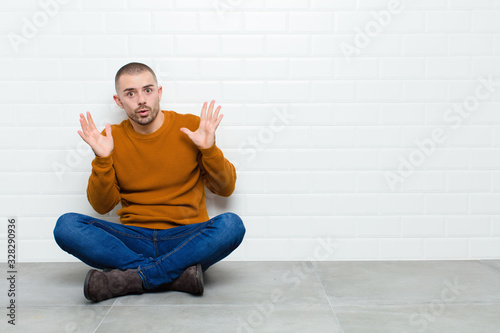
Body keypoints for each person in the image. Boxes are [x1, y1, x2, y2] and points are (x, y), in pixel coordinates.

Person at [53, 62, 245, 302]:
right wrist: (102, 159)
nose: (141, 100)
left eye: (147, 90)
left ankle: (135, 277)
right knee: (66, 226)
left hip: (184, 239)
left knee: (232, 225)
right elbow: (102, 207)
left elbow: (225, 189)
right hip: (133, 240)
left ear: (159, 92)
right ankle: (173, 275)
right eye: (130, 93)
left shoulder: (191, 128)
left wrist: (209, 149)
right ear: (119, 101)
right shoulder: (111, 139)